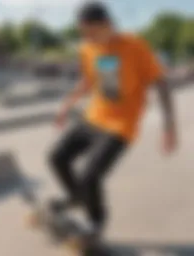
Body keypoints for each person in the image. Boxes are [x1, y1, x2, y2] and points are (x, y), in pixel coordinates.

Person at [48, 1, 177, 240]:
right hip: (93, 117)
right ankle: (77, 197)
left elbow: (161, 82)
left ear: (107, 25)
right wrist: (66, 105)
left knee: (90, 175)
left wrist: (169, 127)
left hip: (121, 125)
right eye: (84, 34)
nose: (89, 39)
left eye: (92, 33)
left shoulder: (135, 46)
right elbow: (89, 81)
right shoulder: (87, 48)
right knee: (57, 157)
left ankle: (96, 222)